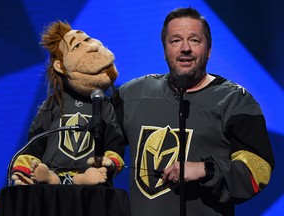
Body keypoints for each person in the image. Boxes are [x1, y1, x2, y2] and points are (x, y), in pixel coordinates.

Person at [114, 7, 275, 216]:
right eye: (175, 41)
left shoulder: (236, 101)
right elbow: (98, 142)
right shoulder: (132, 94)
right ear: (165, 49)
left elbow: (258, 170)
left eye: (195, 40)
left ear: (208, 50)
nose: (185, 48)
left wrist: (205, 170)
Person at [10, 21, 125, 186]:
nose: (91, 46)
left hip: (92, 177)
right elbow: (36, 139)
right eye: (77, 46)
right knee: (47, 177)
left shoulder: (103, 104)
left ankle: (72, 179)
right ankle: (55, 178)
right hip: (54, 178)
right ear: (60, 66)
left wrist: (110, 161)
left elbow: (114, 139)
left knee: (94, 178)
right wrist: (24, 168)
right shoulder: (55, 103)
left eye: (88, 39)